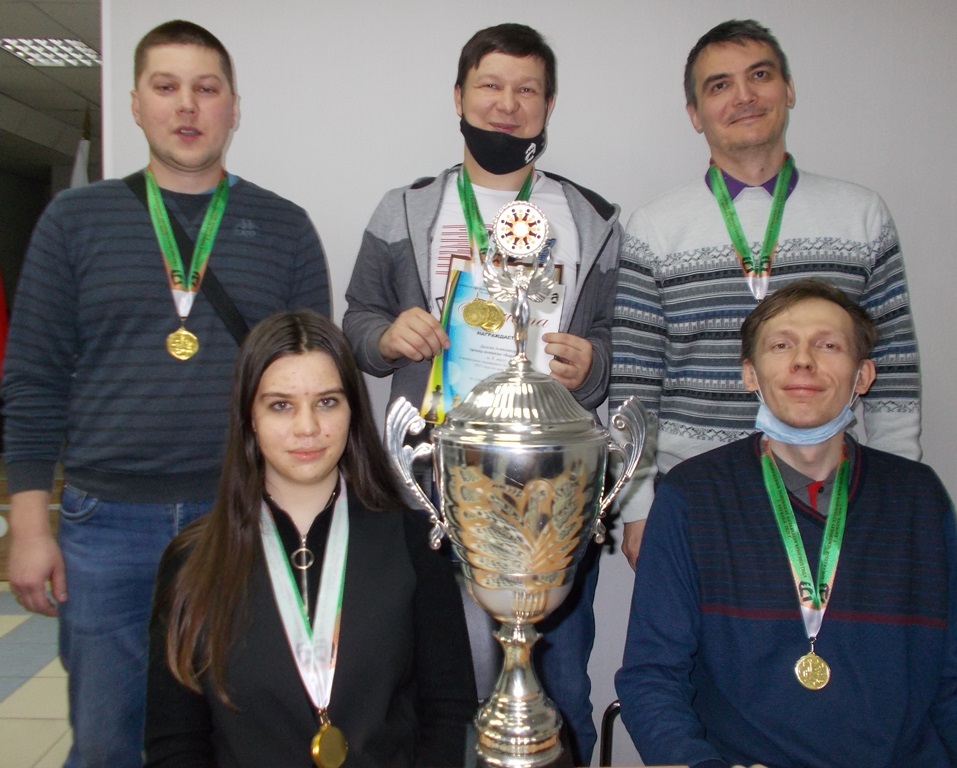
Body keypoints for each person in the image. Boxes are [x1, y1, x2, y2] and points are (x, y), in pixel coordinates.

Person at [2, 20, 330, 767]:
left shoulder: (284, 228)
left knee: (241, 737)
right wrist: (27, 523)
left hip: (242, 518)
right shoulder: (73, 221)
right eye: (166, 86)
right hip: (105, 524)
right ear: (135, 104)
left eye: (206, 88)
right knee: (109, 740)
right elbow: (33, 377)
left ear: (233, 107)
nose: (187, 105)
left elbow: (313, 389)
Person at [342, 23, 620, 765]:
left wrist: (591, 363)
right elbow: (357, 319)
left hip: (548, 491)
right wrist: (386, 336)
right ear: (459, 97)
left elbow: (613, 339)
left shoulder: (591, 219)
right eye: (490, 86)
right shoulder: (403, 209)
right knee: (436, 684)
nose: (507, 104)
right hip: (431, 486)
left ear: (548, 105)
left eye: (527, 89)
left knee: (559, 685)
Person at [610, 19, 921, 569]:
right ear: (695, 114)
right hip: (695, 495)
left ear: (789, 89)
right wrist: (636, 507)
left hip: (835, 494)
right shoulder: (655, 228)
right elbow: (635, 381)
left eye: (760, 76)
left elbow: (892, 370)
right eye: (719, 85)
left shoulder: (861, 216)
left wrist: (897, 491)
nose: (744, 96)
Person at [615, 279, 957, 768]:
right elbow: (651, 677)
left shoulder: (919, 499)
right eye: (781, 345)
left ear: (863, 376)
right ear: (749, 374)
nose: (803, 361)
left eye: (828, 345)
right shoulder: (693, 496)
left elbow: (950, 680)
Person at [144, 310, 476, 767]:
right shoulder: (192, 561)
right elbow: (174, 744)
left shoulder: (415, 543)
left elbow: (449, 712)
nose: (307, 428)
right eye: (281, 405)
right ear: (249, 417)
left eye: (327, 402)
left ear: (352, 410)